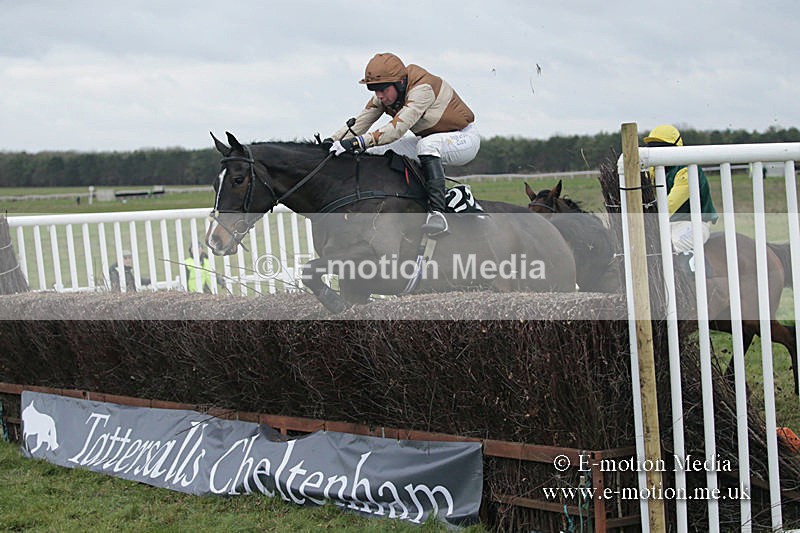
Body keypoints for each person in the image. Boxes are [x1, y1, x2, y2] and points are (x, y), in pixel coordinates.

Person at [327, 52, 479, 236]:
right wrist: (333, 141)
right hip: (431, 139)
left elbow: (395, 130)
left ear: (399, 83)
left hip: (463, 139)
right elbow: (361, 121)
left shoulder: (423, 90)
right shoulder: (388, 94)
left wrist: (357, 143)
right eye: (375, 90)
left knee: (427, 145)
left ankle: (439, 214)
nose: (379, 95)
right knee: (378, 149)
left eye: (382, 89)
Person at [644, 124, 718, 253]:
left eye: (661, 147)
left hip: (695, 225)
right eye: (653, 148)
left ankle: (686, 273)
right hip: (669, 224)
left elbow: (669, 205)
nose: (657, 152)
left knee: (669, 246)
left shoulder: (686, 170)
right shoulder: (654, 169)